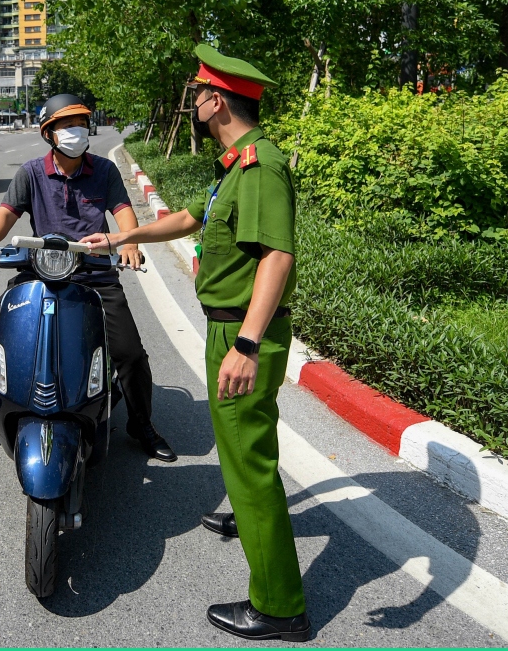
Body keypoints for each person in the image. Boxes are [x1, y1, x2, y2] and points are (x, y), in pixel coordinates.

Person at [80, 44, 309, 642]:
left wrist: (250, 344)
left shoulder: (261, 166)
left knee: (249, 460)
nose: (193, 102)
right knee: (242, 450)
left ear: (217, 100)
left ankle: (280, 606)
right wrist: (122, 235)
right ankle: (246, 511)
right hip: (228, 325)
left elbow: (276, 257)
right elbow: (190, 220)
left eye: (199, 93)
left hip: (242, 331)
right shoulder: (233, 163)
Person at [0, 93, 176, 463]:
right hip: (40, 272)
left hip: (94, 275)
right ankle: (7, 406)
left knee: (128, 352)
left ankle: (141, 421)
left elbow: (124, 212)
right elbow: (6, 213)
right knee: (0, 326)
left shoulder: (104, 171)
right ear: (49, 133)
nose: (75, 132)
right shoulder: (31, 172)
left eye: (80, 124)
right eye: (66, 125)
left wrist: (127, 244)